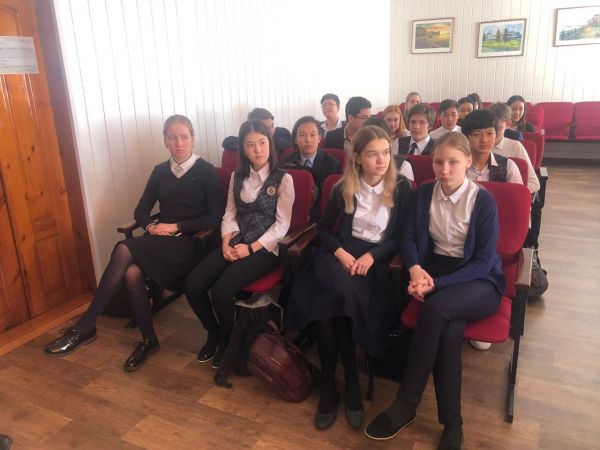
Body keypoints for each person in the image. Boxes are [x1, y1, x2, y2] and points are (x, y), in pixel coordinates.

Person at [43, 115, 224, 371]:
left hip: (190, 243)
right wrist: (150, 227)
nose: (179, 143)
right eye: (172, 137)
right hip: (159, 240)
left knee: (124, 248)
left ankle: (85, 326)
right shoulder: (160, 171)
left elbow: (215, 216)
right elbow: (141, 210)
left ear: (193, 139)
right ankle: (149, 339)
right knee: (131, 273)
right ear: (165, 141)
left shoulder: (205, 170)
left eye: (184, 137)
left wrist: (176, 227)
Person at [365, 131, 504, 450]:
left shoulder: (483, 201)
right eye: (438, 162)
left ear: (468, 161)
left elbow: (483, 262)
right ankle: (453, 423)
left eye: (453, 162)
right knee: (450, 334)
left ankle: (406, 402)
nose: (444, 169)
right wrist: (415, 269)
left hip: (479, 281)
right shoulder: (425, 192)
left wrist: (435, 285)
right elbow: (408, 237)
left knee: (436, 308)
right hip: (435, 272)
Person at [286, 125, 412, 431]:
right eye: (372, 154)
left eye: (386, 153)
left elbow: (401, 236)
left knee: (331, 311)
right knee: (336, 303)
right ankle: (348, 383)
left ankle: (332, 386)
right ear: (357, 158)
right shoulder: (344, 187)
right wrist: (341, 253)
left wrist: (373, 256)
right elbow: (323, 228)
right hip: (340, 256)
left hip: (374, 263)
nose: (382, 160)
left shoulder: (401, 187)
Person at [184, 120, 294, 369]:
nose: (258, 149)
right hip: (235, 240)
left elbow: (282, 226)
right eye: (250, 145)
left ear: (270, 144)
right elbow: (230, 214)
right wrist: (225, 242)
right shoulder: (237, 175)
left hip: (265, 249)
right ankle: (213, 332)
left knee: (221, 292)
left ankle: (228, 339)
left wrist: (251, 248)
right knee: (193, 285)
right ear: (243, 149)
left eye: (262, 142)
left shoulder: (283, 179)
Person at [280, 115, 342, 220]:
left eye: (313, 135)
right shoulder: (286, 162)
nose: (308, 140)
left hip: (318, 218)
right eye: (302, 135)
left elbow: (329, 199)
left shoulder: (332, 164)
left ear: (319, 138)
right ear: (295, 139)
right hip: (289, 214)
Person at [488, 102, 540, 194]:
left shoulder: (515, 147)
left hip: (506, 196)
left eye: (498, 128)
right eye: (489, 127)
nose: (493, 131)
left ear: (508, 124)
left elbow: (534, 183)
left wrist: (512, 192)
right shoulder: (475, 145)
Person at [461, 110, 523, 187]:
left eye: (489, 133)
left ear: (495, 135)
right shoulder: (458, 166)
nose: (484, 140)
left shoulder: (508, 166)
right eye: (476, 134)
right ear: (466, 137)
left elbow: (518, 193)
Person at [364, 117, 415, 183]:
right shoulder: (354, 169)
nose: (381, 160)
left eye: (385, 152)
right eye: (373, 154)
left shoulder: (403, 166)